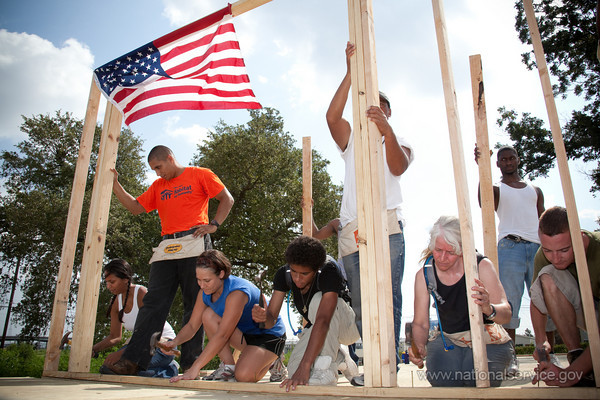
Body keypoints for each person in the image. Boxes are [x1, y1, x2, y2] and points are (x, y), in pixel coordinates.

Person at [106, 145, 234, 375]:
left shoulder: (200, 174)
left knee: (194, 303)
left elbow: (227, 199)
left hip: (194, 241)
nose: (157, 173)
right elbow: (135, 207)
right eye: (153, 169)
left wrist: (214, 225)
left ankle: (190, 364)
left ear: (170, 158)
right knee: (154, 301)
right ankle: (133, 360)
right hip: (168, 246)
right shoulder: (158, 186)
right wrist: (115, 184)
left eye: (159, 167)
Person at [326, 41, 414, 375]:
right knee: (361, 301)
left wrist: (386, 129)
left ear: (388, 112)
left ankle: (388, 364)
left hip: (387, 224)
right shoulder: (350, 141)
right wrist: (350, 74)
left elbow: (398, 167)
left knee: (387, 296)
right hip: (352, 228)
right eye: (367, 103)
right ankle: (368, 366)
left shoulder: (397, 138)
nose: (373, 108)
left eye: (380, 106)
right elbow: (332, 116)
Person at [408, 216, 513, 387]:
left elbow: (506, 314)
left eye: (450, 252)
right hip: (450, 338)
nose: (442, 258)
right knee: (444, 381)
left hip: (486, 337)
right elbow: (420, 323)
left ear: (463, 250)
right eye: (437, 250)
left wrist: (489, 308)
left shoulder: (481, 266)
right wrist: (418, 346)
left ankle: (506, 357)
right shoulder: (425, 275)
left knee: (476, 380)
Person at [475, 144, 547, 376]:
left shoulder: (534, 189)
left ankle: (547, 351)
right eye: (502, 159)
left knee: (544, 299)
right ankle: (511, 358)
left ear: (518, 160)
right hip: (510, 246)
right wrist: (481, 168)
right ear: (497, 164)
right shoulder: (497, 189)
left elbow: (543, 217)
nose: (507, 162)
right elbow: (483, 201)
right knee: (509, 305)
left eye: (511, 158)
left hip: (537, 247)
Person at [252, 236, 360, 391]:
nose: (297, 278)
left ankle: (325, 370)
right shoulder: (284, 274)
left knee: (318, 299)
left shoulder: (328, 270)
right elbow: (271, 320)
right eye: (294, 271)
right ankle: (340, 357)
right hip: (319, 327)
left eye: (304, 274)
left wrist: (306, 365)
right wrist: (263, 317)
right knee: (294, 372)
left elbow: (323, 320)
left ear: (316, 269)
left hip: (348, 327)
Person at [164, 249, 286, 383]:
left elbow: (222, 335)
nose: (202, 285)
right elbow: (192, 326)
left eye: (207, 280)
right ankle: (229, 367)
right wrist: (174, 342)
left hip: (269, 336)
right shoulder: (204, 292)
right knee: (208, 315)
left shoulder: (237, 292)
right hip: (244, 336)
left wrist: (195, 368)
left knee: (244, 376)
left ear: (221, 274)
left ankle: (273, 361)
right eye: (198, 280)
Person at [530, 206, 599, 387]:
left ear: (578, 235)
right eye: (547, 250)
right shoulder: (544, 256)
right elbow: (536, 300)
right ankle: (576, 354)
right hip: (585, 309)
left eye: (563, 250)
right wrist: (541, 342)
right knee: (547, 274)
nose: (555, 258)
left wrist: (571, 374)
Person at [93, 259, 179, 378]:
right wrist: (94, 349)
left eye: (112, 282)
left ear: (125, 279)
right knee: (108, 368)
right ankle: (156, 370)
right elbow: (115, 336)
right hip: (138, 347)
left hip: (162, 345)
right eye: (106, 282)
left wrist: (121, 353)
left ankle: (170, 369)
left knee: (134, 368)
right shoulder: (115, 302)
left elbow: (148, 332)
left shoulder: (141, 293)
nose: (108, 286)